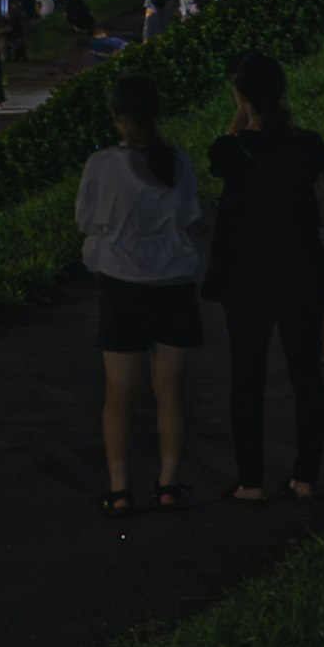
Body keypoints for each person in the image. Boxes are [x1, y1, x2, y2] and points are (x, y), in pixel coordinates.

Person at [207, 45, 324, 500]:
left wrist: (241, 119)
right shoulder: (308, 147)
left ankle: (250, 479)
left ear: (241, 97)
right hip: (301, 268)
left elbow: (221, 155)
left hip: (247, 275)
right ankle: (305, 477)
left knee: (248, 376)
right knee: (306, 374)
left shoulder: (230, 151)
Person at [78, 64, 206, 509]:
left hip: (121, 286)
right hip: (173, 284)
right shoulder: (178, 162)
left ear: (117, 115)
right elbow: (191, 216)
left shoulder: (101, 165)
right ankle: (168, 484)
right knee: (170, 393)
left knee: (119, 397)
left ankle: (119, 489)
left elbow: (85, 220)